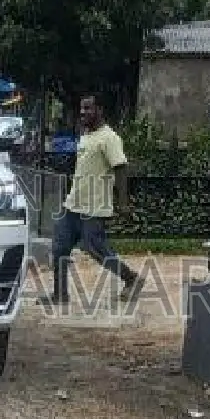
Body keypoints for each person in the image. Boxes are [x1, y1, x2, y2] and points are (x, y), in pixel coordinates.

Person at [46, 95, 142, 306]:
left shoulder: (109, 138)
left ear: (99, 109)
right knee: (60, 247)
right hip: (73, 205)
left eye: (88, 108)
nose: (83, 113)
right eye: (81, 108)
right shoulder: (86, 136)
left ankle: (131, 278)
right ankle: (60, 294)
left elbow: (120, 168)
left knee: (97, 250)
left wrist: (123, 202)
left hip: (94, 207)